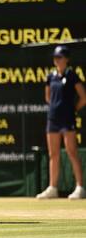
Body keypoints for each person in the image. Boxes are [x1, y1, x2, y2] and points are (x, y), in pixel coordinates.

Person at [37, 46, 86, 199]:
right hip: (53, 119)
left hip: (68, 120)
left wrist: (73, 110)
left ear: (66, 59)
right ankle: (53, 187)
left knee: (72, 152)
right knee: (53, 154)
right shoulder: (50, 76)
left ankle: (80, 187)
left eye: (59, 57)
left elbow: (83, 97)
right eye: (55, 58)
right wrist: (55, 109)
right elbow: (48, 97)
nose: (56, 60)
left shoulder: (72, 75)